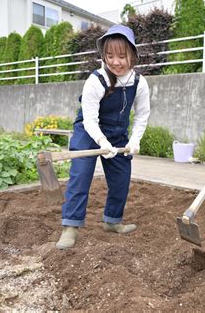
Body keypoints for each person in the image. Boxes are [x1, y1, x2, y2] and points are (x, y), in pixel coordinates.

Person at [56, 24, 150, 249]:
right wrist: (101, 142)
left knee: (121, 179)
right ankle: (70, 226)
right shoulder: (96, 80)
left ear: (133, 55)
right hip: (89, 133)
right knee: (80, 176)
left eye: (122, 56)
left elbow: (142, 115)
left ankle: (112, 221)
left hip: (118, 134)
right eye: (110, 56)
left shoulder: (139, 82)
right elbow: (90, 120)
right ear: (103, 56)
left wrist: (135, 140)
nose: (116, 62)